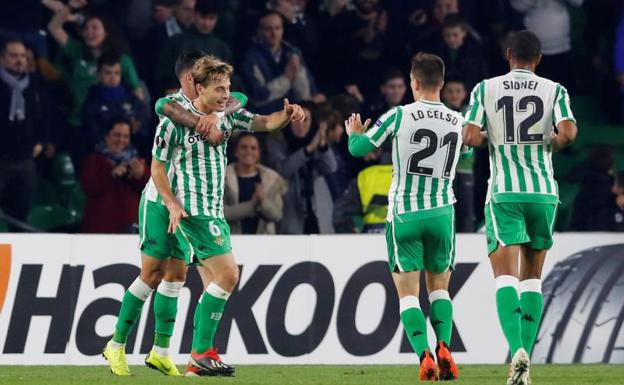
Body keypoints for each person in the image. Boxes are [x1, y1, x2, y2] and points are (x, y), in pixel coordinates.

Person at [150, 55, 304, 376]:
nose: (225, 94)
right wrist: (173, 203)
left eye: (228, 88)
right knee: (229, 275)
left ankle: (199, 359)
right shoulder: (174, 121)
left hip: (213, 210)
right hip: (193, 211)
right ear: (198, 87)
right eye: (219, 88)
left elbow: (265, 122)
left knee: (214, 283)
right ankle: (198, 354)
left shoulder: (228, 116)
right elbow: (158, 168)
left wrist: (288, 115)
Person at [463, 30, 578, 385]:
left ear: (508, 53)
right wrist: (552, 146)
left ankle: (517, 352)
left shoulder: (486, 88)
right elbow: (569, 133)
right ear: (539, 60)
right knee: (531, 280)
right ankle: (526, 367)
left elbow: (469, 136)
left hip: (505, 193)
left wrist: (489, 138)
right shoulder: (554, 89)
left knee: (505, 278)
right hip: (543, 193)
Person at [102, 50, 227, 377]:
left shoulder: (217, 105)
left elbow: (239, 98)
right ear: (191, 79)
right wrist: (201, 121)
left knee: (177, 276)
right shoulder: (171, 110)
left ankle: (160, 351)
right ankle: (116, 344)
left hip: (188, 207)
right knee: (153, 273)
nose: (221, 90)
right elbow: (161, 108)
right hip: (160, 201)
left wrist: (214, 116)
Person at [346, 52, 463, 381]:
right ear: (441, 83)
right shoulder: (458, 120)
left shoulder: (399, 115)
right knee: (440, 290)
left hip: (405, 214)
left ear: (413, 82)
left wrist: (354, 132)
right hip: (442, 212)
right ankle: (444, 348)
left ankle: (424, 355)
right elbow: (466, 150)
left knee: (409, 294)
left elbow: (359, 149)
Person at [47, 6, 143, 129]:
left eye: (95, 28)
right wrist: (69, 8)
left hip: (107, 123)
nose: (89, 32)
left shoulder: (121, 59)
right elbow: (53, 27)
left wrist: (136, 117)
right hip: (77, 120)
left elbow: (136, 89)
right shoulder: (76, 50)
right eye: (86, 28)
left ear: (105, 32)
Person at [266, 102, 337, 234]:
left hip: (318, 210)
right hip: (290, 211)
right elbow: (282, 169)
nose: (300, 125)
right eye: (295, 120)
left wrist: (322, 146)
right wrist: (308, 150)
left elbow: (331, 168)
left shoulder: (316, 139)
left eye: (305, 120)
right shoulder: (277, 141)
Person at [0, 39, 50, 224]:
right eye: (13, 56)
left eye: (22, 55)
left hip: (25, 160)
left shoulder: (36, 84)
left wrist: (42, 141)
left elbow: (46, 114)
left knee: (21, 213)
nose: (20, 60)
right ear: (3, 59)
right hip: (1, 160)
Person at [241, 10, 322, 114]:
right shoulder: (251, 58)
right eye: (268, 29)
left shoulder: (293, 52)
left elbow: (309, 91)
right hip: (267, 116)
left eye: (277, 28)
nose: (274, 33)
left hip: (295, 113)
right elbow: (259, 96)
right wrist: (287, 78)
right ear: (259, 31)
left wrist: (313, 99)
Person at [80, 118, 150, 233]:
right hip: (101, 230)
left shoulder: (136, 162)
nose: (121, 140)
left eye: (125, 136)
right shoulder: (94, 161)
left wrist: (141, 175)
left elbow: (152, 190)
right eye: (117, 135)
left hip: (133, 230)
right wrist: (112, 175)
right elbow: (90, 188)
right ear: (107, 136)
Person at [156, 0, 232, 93]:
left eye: (211, 18)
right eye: (203, 17)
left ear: (217, 19)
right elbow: (162, 73)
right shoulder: (176, 42)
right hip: (181, 98)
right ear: (195, 15)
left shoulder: (222, 48)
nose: (206, 23)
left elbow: (228, 80)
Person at [82, 54, 149, 157]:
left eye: (116, 73)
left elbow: (144, 125)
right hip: (103, 156)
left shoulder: (132, 99)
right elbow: (92, 134)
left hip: (134, 153)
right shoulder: (92, 101)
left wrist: (136, 129)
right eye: (108, 73)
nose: (113, 77)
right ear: (99, 75)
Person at [224, 133, 287, 234]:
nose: (249, 152)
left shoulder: (271, 179)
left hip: (264, 243)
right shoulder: (223, 179)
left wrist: (263, 201)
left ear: (259, 153)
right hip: (232, 240)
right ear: (236, 152)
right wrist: (251, 205)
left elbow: (277, 215)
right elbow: (221, 214)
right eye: (244, 147)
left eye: (253, 148)